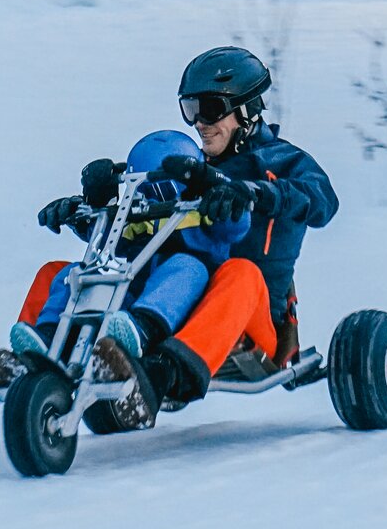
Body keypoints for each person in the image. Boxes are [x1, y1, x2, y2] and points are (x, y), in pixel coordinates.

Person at [90, 46, 339, 429]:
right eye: (191, 110)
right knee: (85, 272)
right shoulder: (193, 166)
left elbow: (324, 201)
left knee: (239, 272)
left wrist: (260, 193)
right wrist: (99, 200)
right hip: (175, 307)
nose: (200, 124)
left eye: (209, 109)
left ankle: (158, 379)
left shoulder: (282, 161)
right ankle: (60, 371)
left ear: (247, 108)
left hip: (254, 327)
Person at [0, 130, 250, 391]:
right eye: (141, 189)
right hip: (132, 294)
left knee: (186, 267)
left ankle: (142, 328)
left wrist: (221, 195)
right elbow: (108, 235)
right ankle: (47, 338)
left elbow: (236, 226)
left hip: (184, 303)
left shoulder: (206, 213)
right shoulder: (140, 216)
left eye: (161, 188)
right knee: (77, 273)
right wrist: (92, 204)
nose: (151, 198)